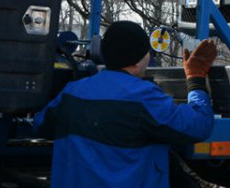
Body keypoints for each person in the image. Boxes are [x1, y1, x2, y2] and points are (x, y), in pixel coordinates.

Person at [35, 21, 218, 187]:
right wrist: (195, 79)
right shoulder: (144, 98)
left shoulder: (71, 92)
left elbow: (41, 126)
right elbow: (199, 125)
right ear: (139, 60)